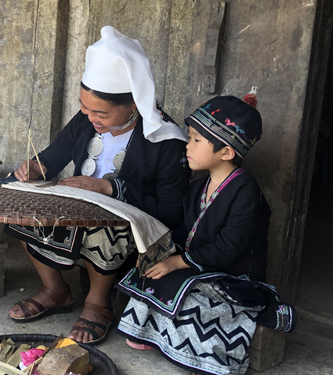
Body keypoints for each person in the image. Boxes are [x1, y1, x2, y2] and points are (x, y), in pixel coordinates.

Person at [7, 26, 191, 345]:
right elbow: (53, 155)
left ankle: (98, 303)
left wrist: (111, 190)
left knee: (105, 226)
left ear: (134, 103)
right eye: (84, 106)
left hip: (136, 232)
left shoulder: (168, 143)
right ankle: (55, 290)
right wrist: (36, 168)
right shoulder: (85, 121)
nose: (88, 116)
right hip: (80, 214)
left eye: (100, 112)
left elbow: (173, 214)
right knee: (17, 207)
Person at [116, 96, 297, 375]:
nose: (187, 145)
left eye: (197, 140)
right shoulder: (199, 186)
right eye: (190, 137)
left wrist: (178, 262)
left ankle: (201, 352)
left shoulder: (245, 191)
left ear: (226, 152)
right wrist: (161, 252)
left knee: (189, 294)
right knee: (151, 271)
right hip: (199, 266)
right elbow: (186, 231)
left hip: (232, 277)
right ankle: (153, 334)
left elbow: (229, 247)